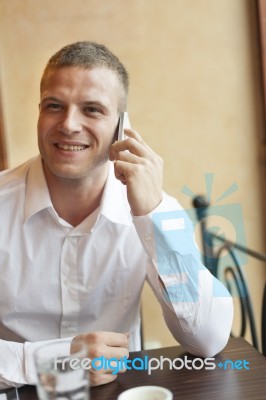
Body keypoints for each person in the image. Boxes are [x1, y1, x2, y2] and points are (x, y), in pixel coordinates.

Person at [0, 41, 233, 388]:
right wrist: (56, 362)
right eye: (54, 106)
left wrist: (151, 214)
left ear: (122, 127)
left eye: (92, 109)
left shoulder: (152, 206)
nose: (69, 124)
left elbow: (209, 338)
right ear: (39, 112)